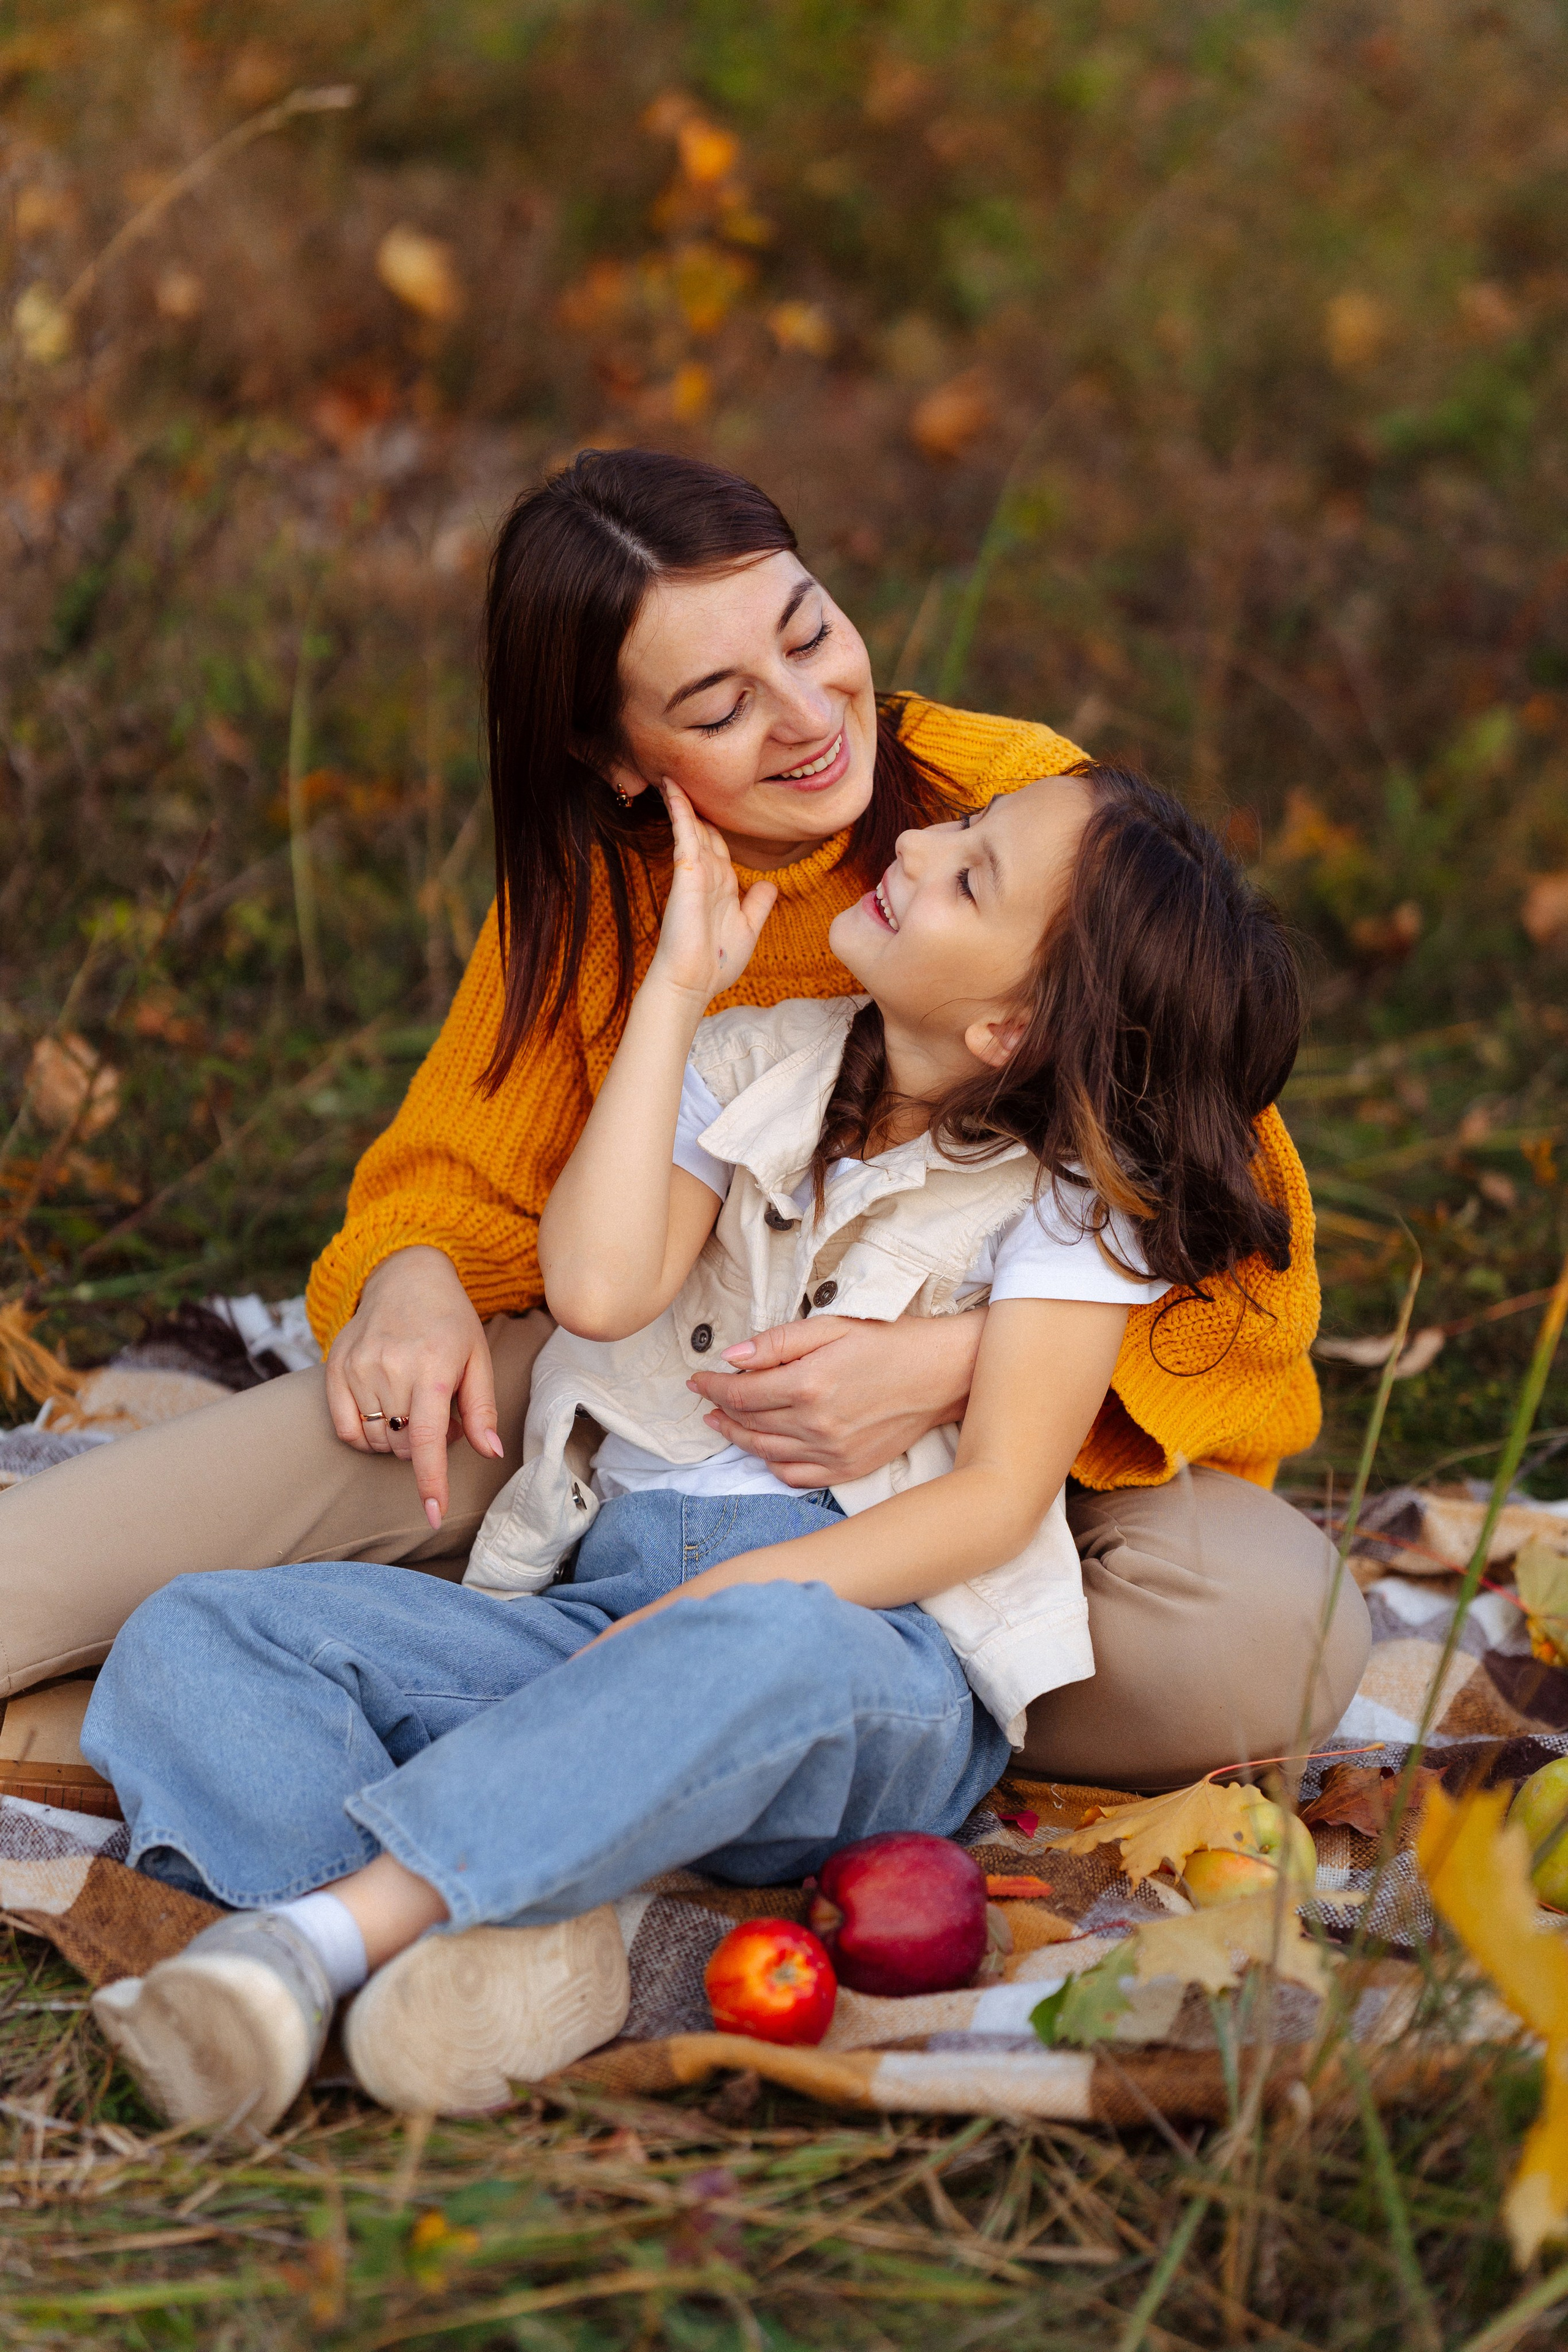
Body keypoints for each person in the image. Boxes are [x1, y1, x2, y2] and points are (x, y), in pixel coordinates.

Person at [0, 448, 1363, 1792]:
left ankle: (642, 1716)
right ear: (610, 752)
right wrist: (412, 1283)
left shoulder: (1006, 812)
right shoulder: (603, 901)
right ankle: (451, 1708)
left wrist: (946, 1364)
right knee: (89, 1547)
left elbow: (1229, 1234)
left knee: (1267, 1640)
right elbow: (457, 1180)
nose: (811, 714)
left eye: (809, 631)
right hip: (656, 1397)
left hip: (993, 1467)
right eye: (716, 705)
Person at [86, 756, 1360, 2133]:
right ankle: (524, 1938)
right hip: (608, 1611)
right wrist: (678, 991)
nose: (922, 847)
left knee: (763, 1650)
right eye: (963, 827)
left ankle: (314, 1948)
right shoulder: (755, 1061)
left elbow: (995, 1499)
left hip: (858, 1661)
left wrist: (710, 1615)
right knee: (197, 1638)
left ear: (1010, 1027)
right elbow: (595, 1287)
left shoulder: (1064, 1209)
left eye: (971, 874)